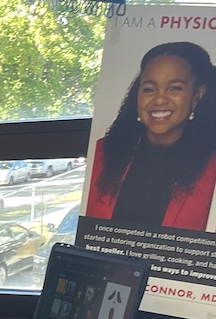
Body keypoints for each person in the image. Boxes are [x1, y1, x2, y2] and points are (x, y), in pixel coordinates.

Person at [86, 42, 216, 230]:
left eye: (175, 88)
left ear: (197, 96)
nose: (159, 99)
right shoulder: (103, 152)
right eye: (149, 89)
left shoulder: (211, 164)